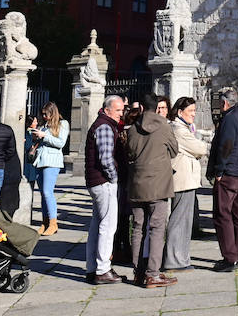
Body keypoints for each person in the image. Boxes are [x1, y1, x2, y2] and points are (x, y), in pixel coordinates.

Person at [125, 93, 178, 288]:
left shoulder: (132, 129)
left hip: (138, 183)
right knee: (157, 228)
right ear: (156, 108)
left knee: (138, 227)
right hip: (158, 183)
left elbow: (129, 152)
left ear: (141, 108)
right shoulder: (164, 126)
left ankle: (138, 271)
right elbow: (174, 150)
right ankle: (153, 273)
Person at [209, 86, 238, 271]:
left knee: (223, 214)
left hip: (230, 173)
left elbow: (226, 146)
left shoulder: (230, 119)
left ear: (225, 103)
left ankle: (229, 257)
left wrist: (219, 171)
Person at [84, 95, 127, 285]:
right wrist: (114, 178)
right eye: (118, 110)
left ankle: (92, 267)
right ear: (108, 110)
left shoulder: (104, 124)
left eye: (122, 110)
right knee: (108, 226)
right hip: (103, 182)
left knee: (97, 225)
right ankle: (102, 269)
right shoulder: (105, 126)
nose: (121, 113)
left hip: (96, 181)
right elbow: (106, 158)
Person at [165, 95, 210, 270]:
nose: (193, 114)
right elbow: (199, 148)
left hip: (187, 179)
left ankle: (182, 258)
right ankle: (174, 260)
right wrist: (199, 149)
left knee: (185, 221)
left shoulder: (185, 127)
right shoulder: (178, 128)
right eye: (190, 111)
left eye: (194, 110)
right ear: (180, 111)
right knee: (179, 220)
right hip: (182, 179)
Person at [29, 102, 69, 235]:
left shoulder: (63, 124)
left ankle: (53, 223)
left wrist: (45, 136)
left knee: (47, 192)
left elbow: (61, 143)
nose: (44, 116)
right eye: (43, 114)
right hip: (40, 161)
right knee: (42, 194)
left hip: (52, 162)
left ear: (53, 112)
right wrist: (36, 137)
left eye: (46, 114)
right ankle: (45, 221)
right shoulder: (45, 126)